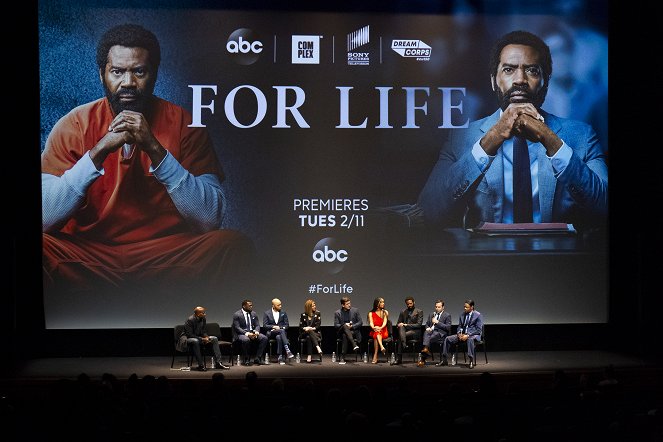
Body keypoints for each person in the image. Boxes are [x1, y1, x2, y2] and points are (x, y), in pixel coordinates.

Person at [40, 23, 254, 324]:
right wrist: (98, 152)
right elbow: (44, 217)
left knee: (232, 246)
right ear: (102, 74)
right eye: (117, 72)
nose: (128, 82)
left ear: (154, 74)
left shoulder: (185, 124)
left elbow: (209, 219)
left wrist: (155, 149)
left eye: (139, 72)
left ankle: (206, 336)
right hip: (91, 255)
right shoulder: (73, 125)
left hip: (165, 254)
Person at [418, 30, 607, 232]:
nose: (520, 80)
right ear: (493, 81)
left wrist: (550, 138)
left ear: (545, 82)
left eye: (532, 71)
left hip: (556, 258)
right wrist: (490, 139)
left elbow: (604, 205)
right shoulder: (462, 137)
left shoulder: (582, 135)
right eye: (509, 70)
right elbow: (429, 209)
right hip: (488, 259)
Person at [177, 306, 230, 371]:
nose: (205, 314)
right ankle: (200, 365)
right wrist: (202, 339)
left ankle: (218, 363)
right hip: (187, 338)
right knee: (195, 341)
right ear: (198, 314)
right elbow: (189, 334)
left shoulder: (203, 318)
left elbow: (203, 331)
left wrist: (206, 337)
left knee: (214, 338)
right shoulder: (190, 320)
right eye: (203, 313)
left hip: (198, 336)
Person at [440, 299, 483, 368]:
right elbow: (460, 326)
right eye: (464, 307)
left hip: (473, 335)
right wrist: (459, 333)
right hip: (462, 335)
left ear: (472, 307)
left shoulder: (478, 315)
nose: (465, 308)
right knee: (447, 339)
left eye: (467, 307)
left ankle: (471, 360)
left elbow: (478, 330)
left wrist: (468, 335)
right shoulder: (462, 315)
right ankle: (444, 360)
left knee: (470, 339)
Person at [232, 300, 268, 366]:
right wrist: (248, 334)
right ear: (244, 306)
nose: (251, 307)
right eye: (250, 305)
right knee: (246, 340)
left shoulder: (254, 313)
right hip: (241, 334)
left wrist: (256, 332)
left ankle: (258, 358)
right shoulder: (237, 315)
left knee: (264, 338)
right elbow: (237, 328)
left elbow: (257, 325)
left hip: (252, 332)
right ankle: (246, 359)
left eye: (252, 305)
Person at [418, 300, 451, 367]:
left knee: (428, 339)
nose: (437, 308)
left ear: (443, 307)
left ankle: (423, 358)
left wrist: (437, 322)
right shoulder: (431, 314)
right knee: (426, 332)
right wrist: (427, 328)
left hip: (440, 333)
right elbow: (427, 324)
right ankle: (426, 350)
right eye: (436, 307)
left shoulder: (447, 315)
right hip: (431, 332)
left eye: (439, 307)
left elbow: (448, 327)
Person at [262, 298, 294, 364]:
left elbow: (287, 325)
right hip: (271, 333)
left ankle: (280, 357)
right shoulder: (267, 313)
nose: (280, 306)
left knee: (279, 337)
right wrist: (273, 327)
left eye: (280, 304)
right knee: (281, 331)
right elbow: (265, 325)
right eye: (278, 305)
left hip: (280, 334)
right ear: (273, 306)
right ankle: (287, 349)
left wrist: (279, 327)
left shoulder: (283, 313)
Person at [394, 296, 424, 365]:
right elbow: (397, 323)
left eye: (410, 303)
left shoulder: (419, 311)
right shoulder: (403, 312)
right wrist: (399, 325)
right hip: (404, 332)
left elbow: (419, 325)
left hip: (415, 332)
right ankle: (404, 343)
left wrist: (406, 325)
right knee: (401, 328)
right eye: (408, 304)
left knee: (401, 337)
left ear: (414, 302)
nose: (409, 305)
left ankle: (399, 359)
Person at [333, 296, 362, 364]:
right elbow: (336, 325)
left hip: (353, 331)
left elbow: (360, 322)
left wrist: (352, 326)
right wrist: (345, 325)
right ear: (343, 305)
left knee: (345, 335)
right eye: (347, 304)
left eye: (349, 303)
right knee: (344, 327)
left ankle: (343, 358)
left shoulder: (355, 310)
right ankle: (354, 344)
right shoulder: (337, 313)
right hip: (342, 331)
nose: (349, 305)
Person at [299, 299, 323, 363]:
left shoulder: (318, 313)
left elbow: (318, 326)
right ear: (308, 307)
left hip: (315, 333)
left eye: (315, 305)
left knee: (309, 336)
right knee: (308, 333)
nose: (314, 306)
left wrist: (310, 328)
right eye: (312, 306)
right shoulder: (303, 315)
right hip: (305, 333)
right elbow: (301, 327)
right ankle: (317, 347)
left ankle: (309, 355)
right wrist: (306, 328)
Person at [368, 297, 389, 364]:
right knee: (376, 333)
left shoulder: (385, 312)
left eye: (383, 302)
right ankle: (382, 346)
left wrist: (380, 328)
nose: (383, 303)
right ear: (377, 304)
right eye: (381, 302)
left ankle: (375, 355)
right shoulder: (371, 313)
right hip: (374, 330)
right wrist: (374, 327)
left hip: (383, 331)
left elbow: (385, 323)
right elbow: (371, 323)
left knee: (376, 333)